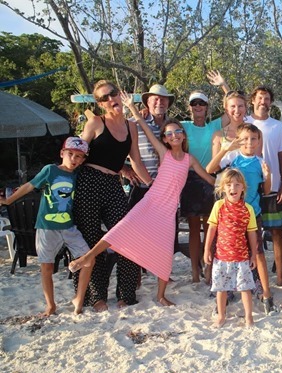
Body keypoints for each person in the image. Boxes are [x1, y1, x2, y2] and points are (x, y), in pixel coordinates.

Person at [69, 92, 215, 306]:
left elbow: (209, 179)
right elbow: (145, 129)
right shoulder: (164, 153)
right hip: (150, 201)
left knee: (166, 252)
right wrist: (132, 108)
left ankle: (161, 295)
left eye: (177, 132)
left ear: (183, 136)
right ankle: (87, 257)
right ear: (164, 139)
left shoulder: (189, 160)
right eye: (169, 133)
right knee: (121, 230)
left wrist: (227, 181)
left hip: (168, 210)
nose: (174, 135)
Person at [74, 80, 152, 312]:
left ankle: (126, 294)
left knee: (127, 236)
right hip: (88, 182)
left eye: (113, 93)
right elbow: (77, 153)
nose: (111, 99)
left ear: (120, 94)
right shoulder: (95, 123)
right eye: (104, 98)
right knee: (91, 241)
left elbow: (136, 161)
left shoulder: (131, 127)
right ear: (100, 104)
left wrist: (152, 184)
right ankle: (95, 297)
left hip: (113, 185)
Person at [0, 137, 95, 316]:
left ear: (83, 160)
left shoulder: (77, 175)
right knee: (46, 267)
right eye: (70, 154)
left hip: (69, 226)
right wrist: (9, 201)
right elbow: (29, 185)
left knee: (89, 259)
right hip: (47, 227)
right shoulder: (50, 170)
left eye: (78, 156)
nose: (73, 159)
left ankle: (79, 299)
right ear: (62, 153)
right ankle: (50, 305)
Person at [207, 122, 278, 315]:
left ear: (259, 141)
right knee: (226, 253)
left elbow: (267, 190)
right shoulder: (233, 157)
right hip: (229, 216)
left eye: (253, 139)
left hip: (252, 214)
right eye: (245, 138)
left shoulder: (260, 162)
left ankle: (266, 293)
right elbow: (210, 168)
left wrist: (268, 175)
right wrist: (225, 149)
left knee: (258, 253)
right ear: (238, 139)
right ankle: (226, 291)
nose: (249, 142)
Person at [203, 168, 259, 328]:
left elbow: (252, 233)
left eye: (237, 184)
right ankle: (221, 316)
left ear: (243, 188)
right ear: (223, 187)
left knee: (245, 288)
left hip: (242, 258)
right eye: (228, 184)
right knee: (221, 289)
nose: (232, 188)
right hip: (221, 257)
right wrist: (207, 250)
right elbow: (212, 229)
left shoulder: (248, 209)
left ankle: (249, 317)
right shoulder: (218, 206)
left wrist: (253, 255)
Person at [247, 85, 282, 287]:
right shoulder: (245, 122)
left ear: (271, 102)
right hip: (250, 187)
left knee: (276, 232)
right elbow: (230, 105)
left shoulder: (277, 126)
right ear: (253, 100)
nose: (263, 102)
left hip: (273, 186)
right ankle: (254, 276)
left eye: (266, 98)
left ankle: (280, 276)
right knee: (250, 232)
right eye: (259, 97)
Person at [180, 91, 222, 283]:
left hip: (209, 179)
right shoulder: (183, 126)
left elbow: (233, 111)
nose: (198, 106)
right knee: (194, 228)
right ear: (189, 107)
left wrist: (222, 86)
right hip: (189, 180)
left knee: (210, 227)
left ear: (207, 107)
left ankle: (208, 267)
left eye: (202, 103)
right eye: (194, 103)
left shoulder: (214, 126)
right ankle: (194, 271)